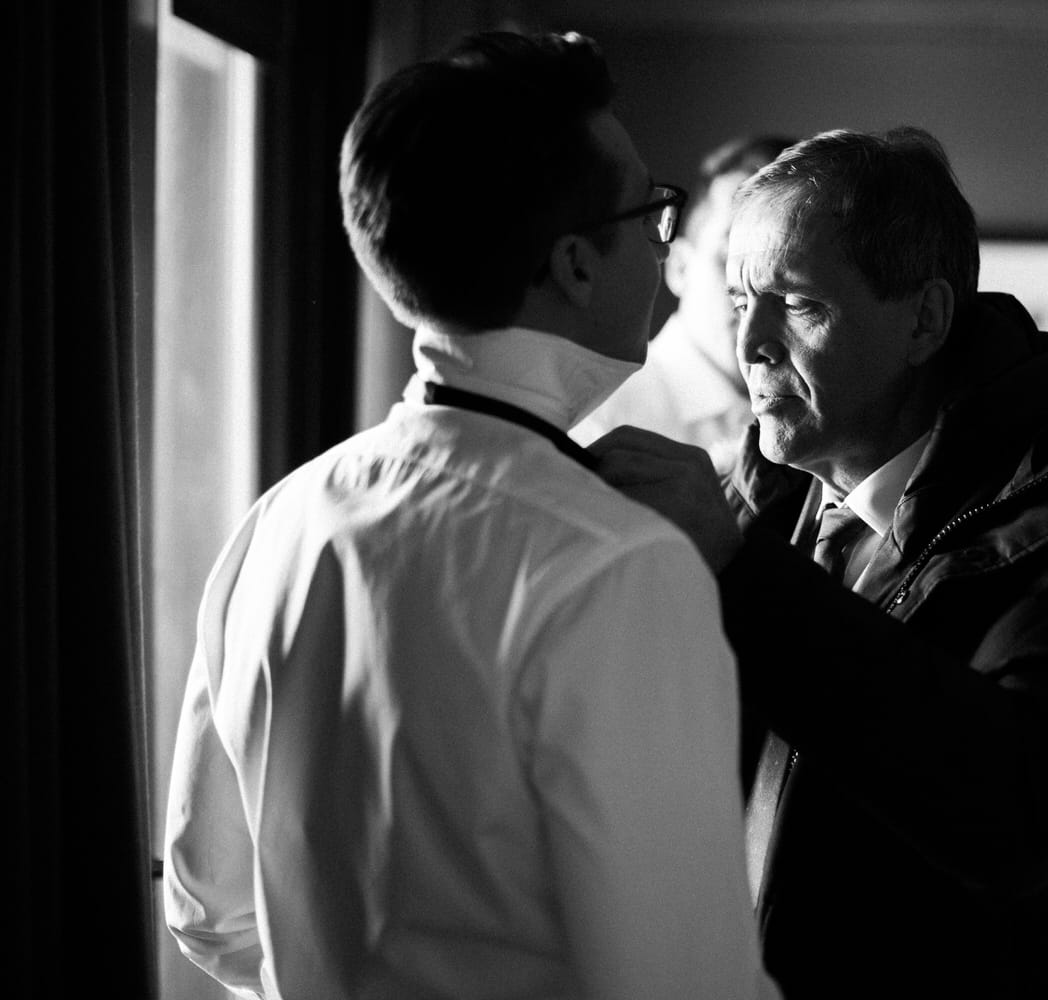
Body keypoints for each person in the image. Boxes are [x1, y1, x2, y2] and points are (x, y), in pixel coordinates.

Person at [161, 30, 778, 1000]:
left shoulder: (279, 520)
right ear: (577, 264)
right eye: (655, 214)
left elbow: (210, 911)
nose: (664, 251)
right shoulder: (619, 562)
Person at [592, 126, 1048, 998]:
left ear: (925, 318)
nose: (748, 343)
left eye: (797, 305)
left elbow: (1020, 812)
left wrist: (739, 566)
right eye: (737, 299)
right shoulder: (765, 493)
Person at [573, 133, 798, 473]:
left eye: (787, 266)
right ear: (679, 268)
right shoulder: (603, 416)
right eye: (732, 259)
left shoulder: (831, 412)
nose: (761, 288)